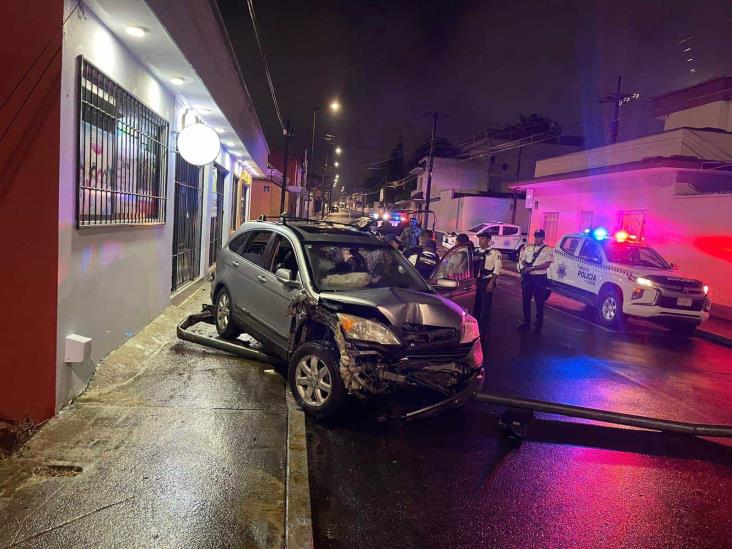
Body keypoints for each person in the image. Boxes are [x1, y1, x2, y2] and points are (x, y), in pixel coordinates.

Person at [517, 228, 554, 333]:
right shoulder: (528, 248)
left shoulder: (548, 249)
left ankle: (538, 326)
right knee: (525, 301)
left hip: (539, 279)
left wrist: (533, 268)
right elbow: (523, 259)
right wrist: (524, 265)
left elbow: (547, 264)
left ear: (543, 238)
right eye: (535, 236)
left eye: (539, 237)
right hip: (528, 278)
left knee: (539, 303)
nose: (536, 239)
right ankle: (526, 323)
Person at [473, 231, 502, 334]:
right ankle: (474, 328)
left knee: (485, 308)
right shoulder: (475, 252)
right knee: (476, 306)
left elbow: (497, 269)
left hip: (487, 281)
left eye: (483, 239)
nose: (480, 241)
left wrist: (492, 282)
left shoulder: (495, 253)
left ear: (489, 240)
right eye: (479, 238)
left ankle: (483, 330)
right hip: (475, 282)